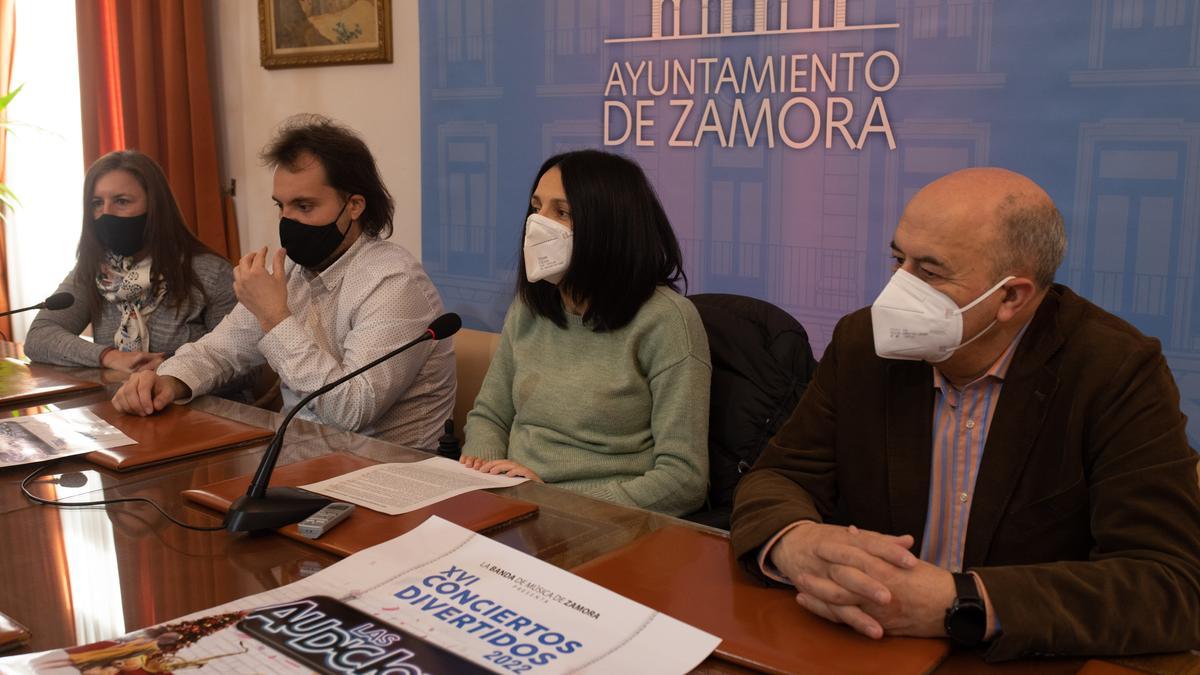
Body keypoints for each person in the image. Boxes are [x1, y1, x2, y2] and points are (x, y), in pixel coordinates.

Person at [730, 167, 1200, 660]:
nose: (896, 290)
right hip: (864, 645)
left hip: (1024, 658)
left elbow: (1169, 583)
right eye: (897, 259)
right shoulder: (863, 344)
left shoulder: (1114, 370)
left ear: (1011, 296)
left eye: (928, 273)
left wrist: (964, 603)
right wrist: (794, 542)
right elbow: (779, 476)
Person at [111, 115, 455, 449]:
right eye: (282, 206)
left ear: (354, 205)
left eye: (305, 206)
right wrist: (168, 381)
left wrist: (276, 318)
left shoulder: (394, 284)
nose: (288, 221)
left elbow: (350, 411)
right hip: (298, 458)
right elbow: (220, 351)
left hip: (386, 475)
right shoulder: (291, 270)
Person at [458, 149, 710, 517]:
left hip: (604, 523)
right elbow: (489, 416)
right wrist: (494, 483)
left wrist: (558, 503)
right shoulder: (529, 308)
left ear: (609, 227)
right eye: (536, 206)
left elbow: (683, 479)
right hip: (517, 508)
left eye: (562, 212)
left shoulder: (667, 321)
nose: (537, 223)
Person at [25, 150, 235, 372]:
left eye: (121, 201)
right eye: (97, 203)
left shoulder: (212, 273)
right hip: (117, 403)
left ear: (155, 206)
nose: (106, 214)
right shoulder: (100, 270)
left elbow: (243, 368)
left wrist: (170, 377)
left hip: (195, 405)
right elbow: (39, 335)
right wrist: (109, 357)